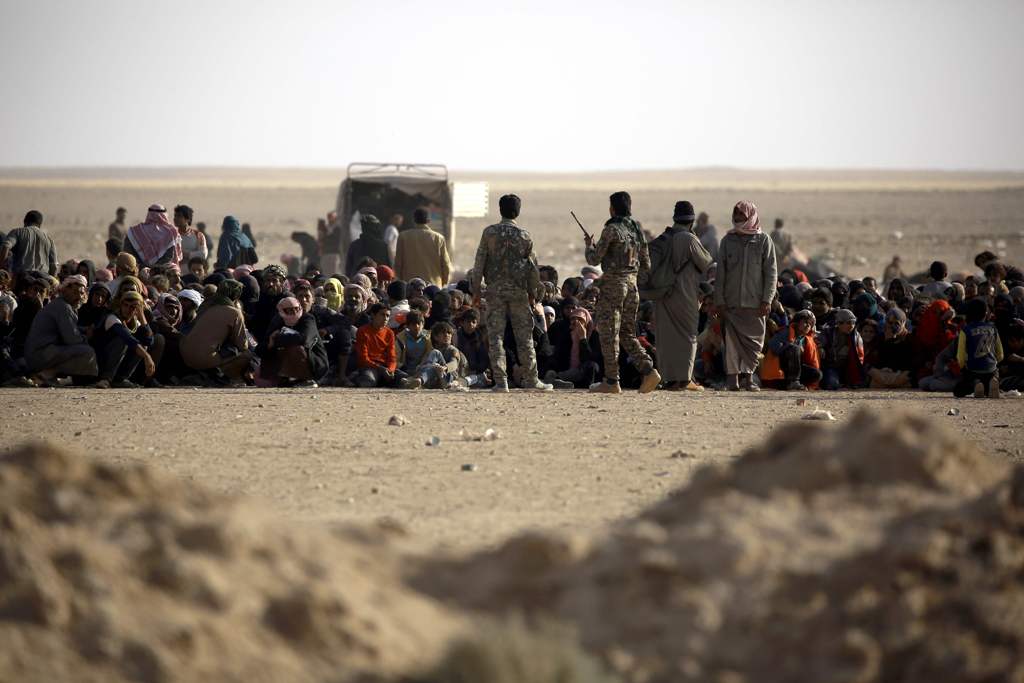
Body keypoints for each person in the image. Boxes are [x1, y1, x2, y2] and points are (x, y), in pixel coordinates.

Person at [583, 192, 661, 394]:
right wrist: (633, 279)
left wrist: (588, 246)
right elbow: (647, 264)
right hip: (632, 287)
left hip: (613, 288)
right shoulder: (636, 230)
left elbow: (594, 259)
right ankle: (649, 370)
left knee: (609, 334)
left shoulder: (611, 229)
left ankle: (611, 380)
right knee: (627, 333)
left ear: (612, 208)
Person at [472, 194, 552, 392]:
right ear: (518, 211)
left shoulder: (489, 233)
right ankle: (532, 379)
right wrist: (534, 293)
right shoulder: (524, 236)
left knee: (496, 336)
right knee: (524, 337)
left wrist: (475, 290)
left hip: (495, 291)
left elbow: (479, 262)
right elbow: (533, 268)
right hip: (519, 292)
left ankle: (501, 382)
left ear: (500, 210)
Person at [712, 200, 777, 391]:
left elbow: (771, 273)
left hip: (756, 304)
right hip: (731, 304)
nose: (738, 219)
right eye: (736, 216)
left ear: (751, 217)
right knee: (731, 344)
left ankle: (748, 379)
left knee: (754, 344)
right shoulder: (727, 241)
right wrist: (720, 301)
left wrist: (767, 300)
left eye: (742, 215)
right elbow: (720, 274)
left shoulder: (764, 241)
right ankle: (732, 380)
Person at [651, 201, 713, 391]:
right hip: (685, 295)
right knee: (688, 336)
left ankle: (669, 378)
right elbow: (706, 262)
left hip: (662, 294)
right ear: (692, 220)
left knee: (667, 336)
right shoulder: (688, 238)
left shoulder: (664, 237)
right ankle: (685, 379)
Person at [23, 275, 98, 384]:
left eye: (81, 293)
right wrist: (87, 337)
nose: (79, 296)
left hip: (38, 353)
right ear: (65, 290)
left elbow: (67, 328)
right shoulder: (63, 307)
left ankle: (48, 375)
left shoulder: (62, 305)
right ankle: (48, 373)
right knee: (88, 352)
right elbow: (72, 339)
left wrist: (83, 330)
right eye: (75, 292)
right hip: (41, 354)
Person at [180, 279, 252, 383]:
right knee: (246, 355)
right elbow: (243, 345)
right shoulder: (234, 312)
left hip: (185, 355)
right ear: (235, 295)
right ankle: (223, 378)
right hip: (202, 358)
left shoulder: (205, 305)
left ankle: (205, 375)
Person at [90, 290, 157, 388]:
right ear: (121, 305)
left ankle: (120, 379)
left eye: (133, 307)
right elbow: (127, 338)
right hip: (99, 361)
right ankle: (106, 378)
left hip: (115, 361)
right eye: (125, 305)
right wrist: (147, 357)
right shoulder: (112, 318)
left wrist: (142, 316)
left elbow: (149, 341)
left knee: (143, 345)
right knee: (123, 341)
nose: (128, 309)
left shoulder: (135, 322)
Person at [260, 293, 328, 387]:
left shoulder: (307, 319)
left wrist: (277, 339)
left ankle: (306, 379)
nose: (294, 312)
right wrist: (270, 344)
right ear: (281, 311)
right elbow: (261, 347)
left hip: (314, 363)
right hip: (286, 364)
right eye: (289, 310)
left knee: (296, 348)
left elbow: (304, 339)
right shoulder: (278, 321)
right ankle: (287, 379)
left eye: (296, 309)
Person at [953, 297, 1003, 398]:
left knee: (958, 391)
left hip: (973, 370)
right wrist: (993, 362)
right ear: (985, 313)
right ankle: (993, 380)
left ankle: (976, 383)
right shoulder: (993, 329)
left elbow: (960, 357)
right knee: (993, 374)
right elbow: (1000, 354)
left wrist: (963, 367)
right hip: (991, 368)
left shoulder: (965, 330)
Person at [759, 309, 821, 390]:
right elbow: (773, 346)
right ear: (797, 322)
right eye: (805, 322)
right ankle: (793, 382)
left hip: (793, 371)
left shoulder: (806, 340)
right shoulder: (785, 332)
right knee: (794, 348)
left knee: (817, 374)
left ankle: (790, 384)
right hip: (778, 372)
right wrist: (789, 345)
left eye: (810, 324)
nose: (808, 326)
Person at [400, 321, 469, 390]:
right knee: (432, 366)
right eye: (443, 333)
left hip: (448, 377)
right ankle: (419, 381)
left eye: (449, 333)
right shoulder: (432, 349)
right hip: (436, 378)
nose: (447, 335)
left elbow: (454, 364)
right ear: (436, 337)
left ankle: (416, 379)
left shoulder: (452, 350)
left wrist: (444, 368)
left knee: (435, 353)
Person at [394, 208, 452, 286]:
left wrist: (401, 281)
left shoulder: (403, 236)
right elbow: (446, 264)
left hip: (410, 286)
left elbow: (398, 263)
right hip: (433, 286)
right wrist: (443, 282)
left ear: (414, 220)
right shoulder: (438, 238)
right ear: (428, 221)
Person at [123, 204, 182, 271]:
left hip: (137, 271)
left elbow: (128, 253)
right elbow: (170, 256)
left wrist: (142, 267)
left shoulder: (134, 231)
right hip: (163, 273)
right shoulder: (171, 232)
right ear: (164, 214)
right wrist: (155, 269)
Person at [818, 308, 866, 390]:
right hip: (831, 367)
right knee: (831, 382)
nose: (851, 326)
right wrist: (820, 348)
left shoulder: (856, 337)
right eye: (848, 323)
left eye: (852, 323)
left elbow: (859, 358)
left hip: (848, 367)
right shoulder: (828, 333)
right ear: (839, 323)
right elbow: (819, 342)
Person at [0, 210, 57, 276]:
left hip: (21, 277)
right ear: (40, 224)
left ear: (25, 222)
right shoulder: (49, 240)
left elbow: (6, 246)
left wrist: (1, 267)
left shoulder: (17, 232)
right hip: (42, 278)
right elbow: (54, 265)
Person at [353, 303, 397, 388]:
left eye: (387, 316)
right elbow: (363, 358)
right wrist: (380, 369)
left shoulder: (389, 333)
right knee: (368, 381)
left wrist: (391, 369)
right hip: (369, 366)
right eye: (382, 315)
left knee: (402, 378)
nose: (385, 318)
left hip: (385, 367)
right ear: (373, 315)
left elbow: (392, 357)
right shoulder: (363, 331)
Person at [175, 205, 208, 270]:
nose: (175, 218)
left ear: (188, 219)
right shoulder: (171, 235)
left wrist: (186, 254)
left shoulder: (198, 235)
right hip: (176, 273)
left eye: (179, 216)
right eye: (175, 216)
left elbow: (203, 254)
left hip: (193, 273)